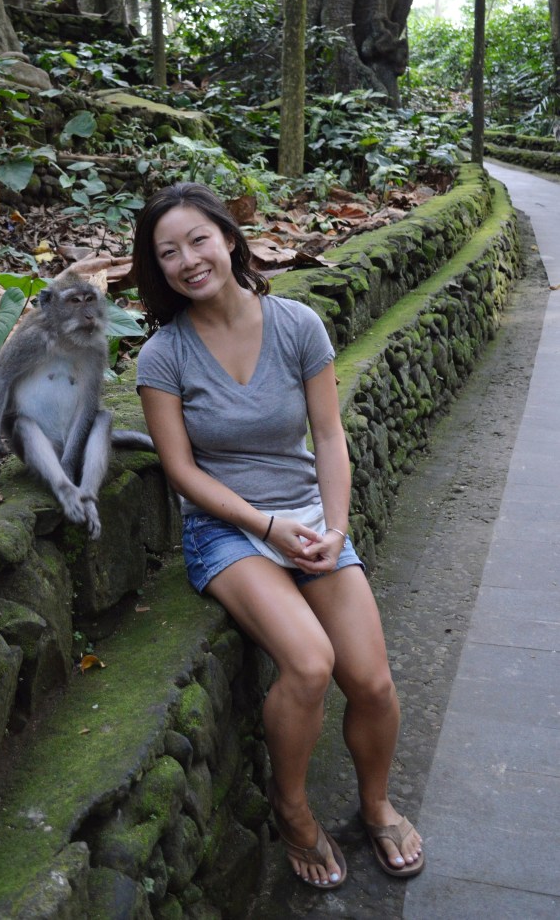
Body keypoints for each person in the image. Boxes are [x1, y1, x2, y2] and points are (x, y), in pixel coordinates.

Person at [131, 182, 424, 889]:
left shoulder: (296, 324)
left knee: (374, 683)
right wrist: (265, 525)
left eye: (198, 240)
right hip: (228, 533)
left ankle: (375, 803)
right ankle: (292, 812)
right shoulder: (162, 357)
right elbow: (179, 471)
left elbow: (329, 435)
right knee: (310, 663)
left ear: (229, 240)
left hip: (311, 521)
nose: (187, 260)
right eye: (167, 253)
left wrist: (335, 526)